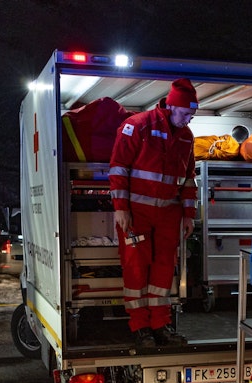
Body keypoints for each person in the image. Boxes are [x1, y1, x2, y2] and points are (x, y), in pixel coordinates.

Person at [109, 78, 199, 350]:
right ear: (171, 106)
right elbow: (118, 168)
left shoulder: (186, 137)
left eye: (192, 115)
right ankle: (140, 327)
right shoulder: (138, 126)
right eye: (185, 113)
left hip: (168, 217)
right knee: (136, 269)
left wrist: (188, 215)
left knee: (162, 271)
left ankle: (160, 325)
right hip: (137, 215)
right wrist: (121, 209)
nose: (188, 119)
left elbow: (188, 179)